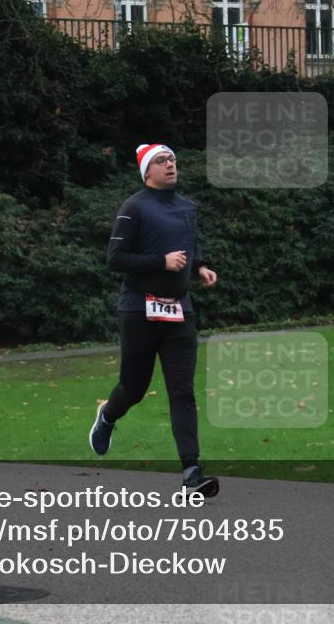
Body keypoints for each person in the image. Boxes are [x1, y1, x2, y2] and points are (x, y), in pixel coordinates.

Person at [89, 143, 220, 497]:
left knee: (182, 391)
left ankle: (192, 473)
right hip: (138, 310)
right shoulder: (134, 207)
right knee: (134, 388)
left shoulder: (187, 207)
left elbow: (188, 246)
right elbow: (115, 258)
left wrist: (200, 266)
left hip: (179, 310)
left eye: (173, 159)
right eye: (161, 161)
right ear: (147, 171)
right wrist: (160, 263)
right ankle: (108, 416)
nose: (170, 165)